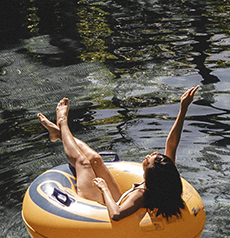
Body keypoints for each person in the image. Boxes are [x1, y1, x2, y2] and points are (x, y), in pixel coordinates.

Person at [37, 87, 200, 222]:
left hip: (99, 207)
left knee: (83, 162)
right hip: (118, 200)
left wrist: (104, 189)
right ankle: (59, 134)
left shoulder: (141, 195)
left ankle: (63, 123)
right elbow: (172, 144)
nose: (149, 155)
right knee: (95, 159)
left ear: (151, 173)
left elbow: (116, 214)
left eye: (149, 160)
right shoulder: (163, 177)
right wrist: (183, 109)